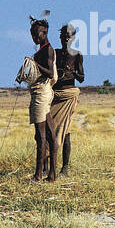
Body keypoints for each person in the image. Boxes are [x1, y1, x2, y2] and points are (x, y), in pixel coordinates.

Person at [47, 23, 85, 176]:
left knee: (66, 131)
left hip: (68, 95)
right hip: (54, 94)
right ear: (60, 37)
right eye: (64, 35)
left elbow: (82, 78)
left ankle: (65, 168)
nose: (66, 37)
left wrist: (72, 72)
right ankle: (46, 167)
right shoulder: (54, 53)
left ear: (73, 37)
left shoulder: (77, 54)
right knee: (48, 131)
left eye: (69, 35)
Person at [26, 14, 58, 182]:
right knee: (50, 135)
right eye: (33, 34)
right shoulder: (42, 50)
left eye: (37, 34)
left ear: (44, 33)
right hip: (42, 94)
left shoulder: (47, 50)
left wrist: (33, 63)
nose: (34, 37)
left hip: (41, 95)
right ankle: (51, 174)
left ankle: (38, 175)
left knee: (41, 136)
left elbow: (50, 73)